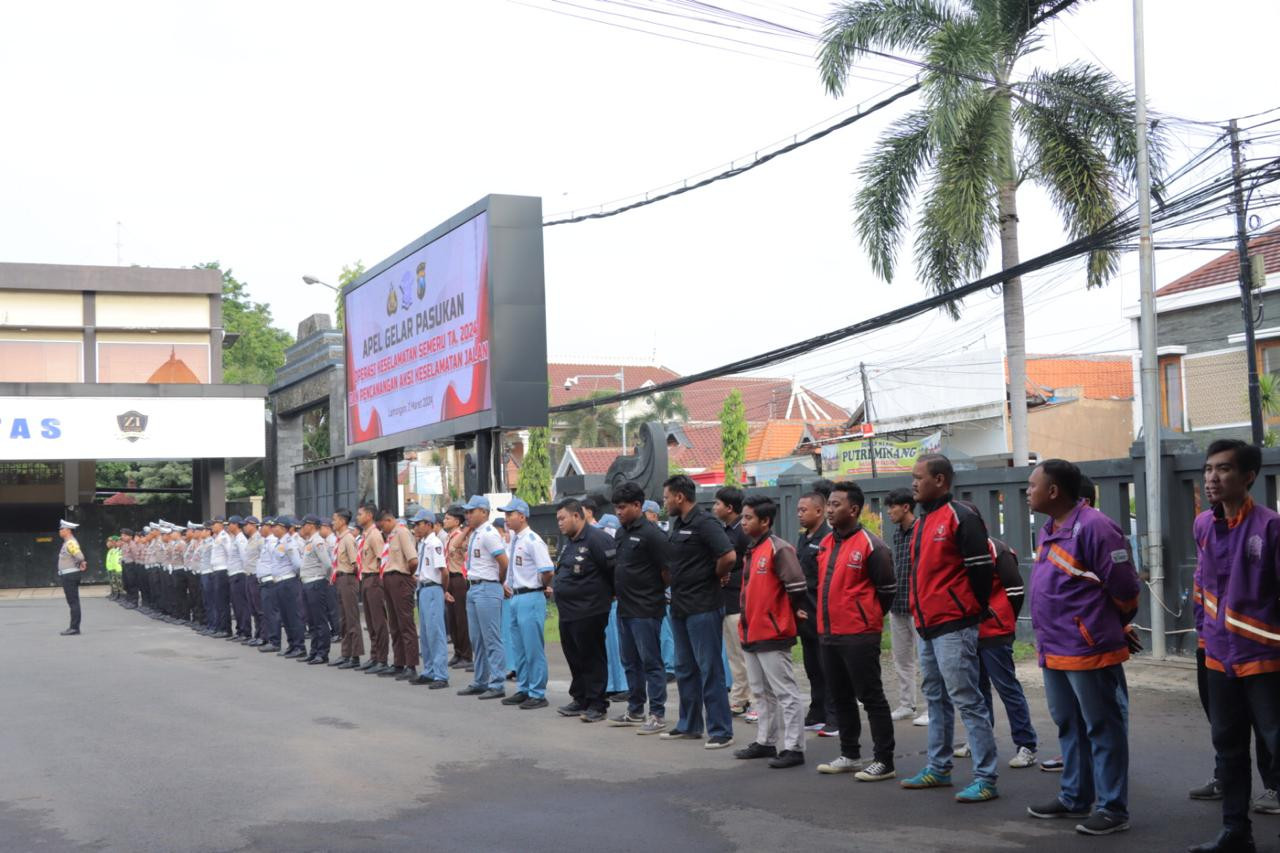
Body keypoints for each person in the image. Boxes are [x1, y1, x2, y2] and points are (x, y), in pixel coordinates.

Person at [1024, 458, 1139, 837]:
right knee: (1069, 724)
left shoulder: (1095, 527)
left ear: (1053, 491)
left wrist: (1108, 626)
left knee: (1103, 727)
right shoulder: (1049, 528)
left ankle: (1112, 808)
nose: (1028, 491)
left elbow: (1125, 588)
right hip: (1054, 647)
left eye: (1032, 485)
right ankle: (1075, 795)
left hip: (1088, 649)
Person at [1186, 441, 1280, 853]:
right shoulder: (1203, 525)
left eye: (1223, 470)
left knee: (1277, 748)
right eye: (1208, 469)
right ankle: (1235, 832)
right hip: (1218, 657)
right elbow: (1203, 586)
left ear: (1248, 477)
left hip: (1265, 661)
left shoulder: (1271, 527)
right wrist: (1203, 637)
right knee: (1228, 748)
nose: (1212, 478)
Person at [901, 453, 1000, 804]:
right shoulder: (923, 522)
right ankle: (938, 768)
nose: (913, 483)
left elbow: (981, 568)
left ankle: (986, 778)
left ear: (940, 480)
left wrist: (970, 609)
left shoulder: (962, 515)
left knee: (967, 699)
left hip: (954, 626)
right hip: (927, 626)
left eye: (919, 477)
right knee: (935, 698)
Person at [812, 482, 897, 782]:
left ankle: (884, 760)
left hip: (860, 634)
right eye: (829, 505)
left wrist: (865, 616)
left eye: (836, 505)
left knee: (871, 697)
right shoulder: (825, 544)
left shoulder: (872, 545)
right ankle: (849, 753)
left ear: (854, 509)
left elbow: (887, 590)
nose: (831, 510)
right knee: (840, 696)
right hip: (829, 633)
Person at [660, 474, 737, 749]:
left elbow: (728, 556)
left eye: (667, 496)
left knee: (710, 669)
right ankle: (689, 724)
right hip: (680, 606)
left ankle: (720, 730)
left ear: (680, 496)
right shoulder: (677, 524)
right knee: (684, 669)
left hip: (704, 605)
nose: (665, 501)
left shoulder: (705, 523)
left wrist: (713, 577)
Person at [733, 495, 809, 769]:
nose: (743, 522)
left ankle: (794, 747)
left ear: (765, 521)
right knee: (760, 692)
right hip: (751, 631)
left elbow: (797, 586)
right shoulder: (752, 550)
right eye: (743, 517)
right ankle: (766, 741)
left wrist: (787, 616)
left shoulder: (779, 549)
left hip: (772, 633)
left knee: (785, 692)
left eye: (748, 518)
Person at [952, 531, 1038, 769]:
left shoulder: (997, 550)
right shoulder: (958, 551)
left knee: (1007, 687)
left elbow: (1015, 591)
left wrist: (1002, 619)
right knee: (977, 690)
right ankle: (980, 741)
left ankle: (1026, 746)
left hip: (995, 633)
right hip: (969, 631)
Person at [610, 482, 672, 734]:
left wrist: (653, 592)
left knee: (651, 663)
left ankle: (657, 714)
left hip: (646, 609)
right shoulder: (620, 533)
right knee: (630, 662)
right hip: (624, 608)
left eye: (623, 507)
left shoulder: (653, 534)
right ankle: (635, 709)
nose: (618, 512)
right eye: (616, 508)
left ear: (638, 505)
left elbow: (668, 571)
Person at [553, 498, 617, 722]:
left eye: (563, 518)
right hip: (568, 611)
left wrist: (606, 597)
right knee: (574, 657)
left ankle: (597, 703)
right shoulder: (570, 542)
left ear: (577, 516)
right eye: (557, 519)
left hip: (590, 610)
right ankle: (581, 698)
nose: (559, 523)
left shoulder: (597, 539)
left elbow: (613, 571)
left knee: (592, 657)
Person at [498, 498, 553, 709]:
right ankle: (524, 688)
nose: (507, 519)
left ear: (522, 516)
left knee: (532, 648)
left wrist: (540, 586)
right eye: (505, 515)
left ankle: (538, 693)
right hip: (516, 596)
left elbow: (547, 570)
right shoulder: (515, 540)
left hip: (530, 596)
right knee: (519, 647)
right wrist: (508, 583)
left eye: (510, 515)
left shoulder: (532, 540)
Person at [456, 496, 510, 700]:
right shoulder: (476, 533)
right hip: (474, 587)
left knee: (491, 637)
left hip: (487, 587)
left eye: (472, 511)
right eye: (467, 512)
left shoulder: (489, 534)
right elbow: (456, 547)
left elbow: (503, 562)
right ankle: (480, 681)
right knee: (476, 639)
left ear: (484, 512)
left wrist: (498, 582)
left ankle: (497, 683)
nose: (467, 515)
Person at [795, 491, 836, 733]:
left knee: (827, 666)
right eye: (798, 510)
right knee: (812, 667)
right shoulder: (803, 539)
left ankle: (834, 715)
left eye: (804, 510)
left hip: (822, 612)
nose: (799, 514)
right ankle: (817, 709)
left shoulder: (827, 539)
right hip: (805, 612)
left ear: (819, 512)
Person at [885, 488, 925, 724]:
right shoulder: (897, 534)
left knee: (926, 659)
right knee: (901, 659)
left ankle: (931, 707)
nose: (889, 512)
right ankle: (906, 704)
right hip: (897, 604)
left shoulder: (921, 531)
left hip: (918, 605)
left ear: (906, 507)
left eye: (893, 507)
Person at [713, 487, 751, 717]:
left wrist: (729, 576)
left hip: (739, 600)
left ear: (729, 508)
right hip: (726, 600)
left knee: (743, 653)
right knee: (734, 655)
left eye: (718, 504)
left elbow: (750, 566)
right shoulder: (727, 530)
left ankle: (754, 700)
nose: (714, 507)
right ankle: (739, 698)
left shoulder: (742, 533)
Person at [408, 509, 450, 688]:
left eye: (418, 524)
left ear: (429, 525)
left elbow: (444, 571)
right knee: (425, 632)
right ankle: (429, 670)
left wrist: (442, 589)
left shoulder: (434, 543)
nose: (415, 527)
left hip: (433, 588)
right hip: (423, 588)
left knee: (436, 632)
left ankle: (441, 674)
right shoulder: (423, 543)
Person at [378, 509, 420, 680]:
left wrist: (408, 576)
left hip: (400, 578)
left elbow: (413, 560)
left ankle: (411, 665)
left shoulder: (402, 532)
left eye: (382, 525)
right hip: (389, 579)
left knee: (405, 623)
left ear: (388, 520)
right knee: (394, 624)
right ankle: (399, 662)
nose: (381, 529)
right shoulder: (390, 536)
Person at [356, 504, 391, 674]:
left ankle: (382, 659)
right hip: (366, 578)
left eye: (360, 514)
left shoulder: (375, 535)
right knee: (370, 622)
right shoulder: (366, 535)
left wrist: (379, 582)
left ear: (369, 515)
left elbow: (382, 559)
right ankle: (374, 655)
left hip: (374, 579)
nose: (357, 517)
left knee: (378, 621)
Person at [296, 514, 333, 665]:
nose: (302, 527)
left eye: (303, 524)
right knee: (311, 620)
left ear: (310, 525)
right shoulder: (309, 541)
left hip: (316, 583)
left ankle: (322, 653)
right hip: (307, 583)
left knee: (319, 620)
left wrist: (325, 579)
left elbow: (328, 564)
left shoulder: (317, 541)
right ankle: (314, 651)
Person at [329, 509, 364, 668]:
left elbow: (356, 563)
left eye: (335, 519)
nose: (332, 522)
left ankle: (355, 655)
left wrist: (352, 582)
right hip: (340, 578)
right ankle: (346, 653)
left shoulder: (348, 539)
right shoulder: (340, 539)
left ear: (343, 521)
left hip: (348, 578)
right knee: (343, 618)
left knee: (351, 618)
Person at [443, 506, 473, 670]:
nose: (444, 520)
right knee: (452, 618)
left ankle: (466, 654)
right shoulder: (447, 537)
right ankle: (457, 651)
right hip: (449, 578)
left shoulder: (462, 536)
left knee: (461, 618)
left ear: (457, 521)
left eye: (448, 518)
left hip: (459, 578)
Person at [274, 516, 309, 659]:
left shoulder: (289, 543)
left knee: (293, 615)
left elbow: (298, 564)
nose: (273, 528)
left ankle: (299, 646)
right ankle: (292, 644)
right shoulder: (280, 542)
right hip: (281, 582)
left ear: (282, 528)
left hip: (289, 582)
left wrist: (294, 579)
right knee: (285, 616)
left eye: (275, 526)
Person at [56, 519, 87, 635]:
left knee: (73, 602)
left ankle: (74, 627)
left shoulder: (70, 543)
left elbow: (79, 556)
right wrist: (81, 563)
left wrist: (81, 562)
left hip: (70, 575)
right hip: (68, 574)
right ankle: (74, 627)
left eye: (62, 529)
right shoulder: (67, 542)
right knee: (73, 601)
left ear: (68, 530)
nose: (60, 531)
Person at [224, 516, 251, 641]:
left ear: (235, 525)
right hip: (234, 574)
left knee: (241, 606)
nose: (228, 526)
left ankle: (245, 632)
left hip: (239, 574)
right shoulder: (234, 538)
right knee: (236, 605)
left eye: (229, 524)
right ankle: (240, 630)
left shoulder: (240, 539)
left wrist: (244, 573)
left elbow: (245, 558)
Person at [207, 517, 232, 638]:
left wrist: (228, 570)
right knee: (217, 601)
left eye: (214, 524)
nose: (212, 526)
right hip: (216, 571)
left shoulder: (224, 537)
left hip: (222, 571)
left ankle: (225, 629)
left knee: (222, 602)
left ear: (221, 525)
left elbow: (230, 554)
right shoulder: (217, 537)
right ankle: (220, 627)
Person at [241, 517, 264, 645]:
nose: (244, 527)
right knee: (253, 609)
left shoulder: (259, 540)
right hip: (248, 575)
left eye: (246, 525)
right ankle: (257, 634)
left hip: (256, 576)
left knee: (260, 609)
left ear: (253, 525)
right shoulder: (250, 539)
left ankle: (263, 636)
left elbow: (263, 558)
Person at [106, 536, 122, 600]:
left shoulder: (119, 550)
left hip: (118, 569)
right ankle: (114, 594)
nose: (109, 543)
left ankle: (120, 596)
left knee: (120, 584)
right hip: (112, 568)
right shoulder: (113, 550)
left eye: (112, 542)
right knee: (113, 582)